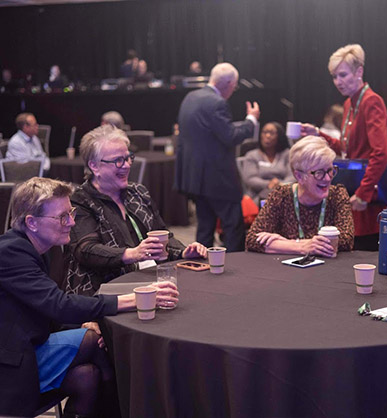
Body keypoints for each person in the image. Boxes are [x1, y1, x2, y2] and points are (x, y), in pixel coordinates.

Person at [0, 177, 178, 417]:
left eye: (70, 213)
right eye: (62, 217)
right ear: (31, 222)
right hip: (10, 364)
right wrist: (135, 300)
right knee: (94, 341)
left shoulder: (36, 248)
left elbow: (45, 306)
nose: (72, 222)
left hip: (26, 345)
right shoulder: (11, 252)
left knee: (87, 377)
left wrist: (86, 320)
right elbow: (58, 305)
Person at [65, 124, 206, 296]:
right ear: (94, 166)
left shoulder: (138, 192)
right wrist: (131, 254)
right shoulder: (80, 200)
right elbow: (86, 250)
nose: (126, 165)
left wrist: (184, 251)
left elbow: (162, 235)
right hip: (104, 292)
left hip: (149, 281)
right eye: (118, 160)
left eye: (128, 158)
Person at [301, 44, 387, 251]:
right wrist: (318, 134)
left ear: (359, 72)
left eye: (343, 75)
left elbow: (380, 153)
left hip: (372, 187)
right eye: (334, 76)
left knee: (370, 250)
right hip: (360, 183)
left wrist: (364, 193)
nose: (338, 82)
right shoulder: (349, 103)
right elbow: (346, 148)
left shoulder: (371, 101)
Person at [175, 62, 260, 251]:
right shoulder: (217, 102)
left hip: (195, 177)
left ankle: (202, 265)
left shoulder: (191, 97)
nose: (233, 90)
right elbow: (230, 136)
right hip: (218, 178)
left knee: (205, 227)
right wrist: (251, 120)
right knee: (233, 227)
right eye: (234, 86)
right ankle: (235, 270)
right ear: (229, 83)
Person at [246, 136, 354, 256]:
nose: (328, 178)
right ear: (299, 176)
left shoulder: (337, 195)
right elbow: (252, 240)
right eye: (319, 173)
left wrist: (284, 243)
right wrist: (300, 246)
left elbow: (346, 241)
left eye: (330, 170)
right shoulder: (281, 195)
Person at [242, 122, 294, 202]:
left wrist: (280, 185)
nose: (267, 136)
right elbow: (250, 179)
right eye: (264, 132)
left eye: (272, 133)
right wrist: (268, 184)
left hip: (284, 194)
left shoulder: (287, 154)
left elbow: (293, 175)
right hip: (258, 196)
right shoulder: (252, 155)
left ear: (279, 136)